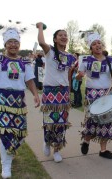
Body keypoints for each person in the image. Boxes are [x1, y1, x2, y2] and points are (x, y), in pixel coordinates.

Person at [0, 28, 40, 178]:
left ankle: (9, 152)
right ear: (5, 44)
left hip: (18, 101)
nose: (13, 45)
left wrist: (36, 94)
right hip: (1, 100)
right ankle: (6, 166)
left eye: (15, 42)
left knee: (20, 134)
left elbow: (29, 80)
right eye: (10, 42)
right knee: (4, 132)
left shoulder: (24, 62)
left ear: (19, 44)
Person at [76, 31, 112, 159]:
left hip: (106, 94)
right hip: (91, 94)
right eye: (94, 44)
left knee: (107, 122)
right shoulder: (86, 60)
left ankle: (103, 150)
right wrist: (79, 75)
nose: (98, 45)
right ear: (90, 47)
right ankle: (86, 141)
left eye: (99, 43)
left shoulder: (110, 60)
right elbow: (78, 76)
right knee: (91, 121)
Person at [36, 22, 76, 163]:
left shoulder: (71, 57)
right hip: (49, 92)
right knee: (49, 121)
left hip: (63, 92)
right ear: (55, 39)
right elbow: (41, 41)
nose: (63, 37)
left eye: (65, 35)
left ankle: (57, 150)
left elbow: (69, 75)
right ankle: (47, 142)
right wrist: (40, 27)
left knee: (61, 123)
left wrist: (69, 91)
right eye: (60, 35)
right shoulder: (50, 52)